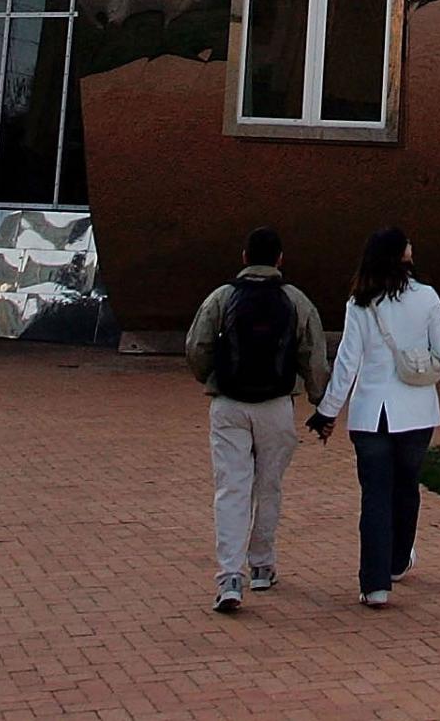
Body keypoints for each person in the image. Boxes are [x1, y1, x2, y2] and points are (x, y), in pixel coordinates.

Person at [310, 225, 440, 607]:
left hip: (370, 414)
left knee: (375, 496)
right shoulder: (427, 298)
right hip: (416, 411)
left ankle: (375, 583)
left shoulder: (360, 302)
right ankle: (399, 559)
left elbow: (347, 364)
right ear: (404, 255)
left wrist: (326, 411)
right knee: (407, 487)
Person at [185, 226, 328, 615]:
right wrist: (320, 401)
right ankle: (262, 564)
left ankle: (230, 576)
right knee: (269, 486)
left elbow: (197, 346)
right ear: (280, 259)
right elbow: (313, 355)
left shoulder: (223, 296)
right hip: (277, 405)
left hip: (229, 404)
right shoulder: (296, 301)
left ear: (244, 255)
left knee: (231, 489)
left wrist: (212, 378)